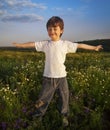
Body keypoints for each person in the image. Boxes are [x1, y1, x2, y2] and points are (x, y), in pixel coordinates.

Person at [13, 16, 103, 127]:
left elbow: (80, 45)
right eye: (50, 29)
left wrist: (94, 48)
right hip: (48, 78)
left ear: (61, 30)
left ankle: (64, 116)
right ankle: (37, 117)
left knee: (64, 98)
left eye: (55, 29)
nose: (52, 31)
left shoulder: (65, 44)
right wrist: (20, 45)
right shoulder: (46, 44)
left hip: (61, 78)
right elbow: (32, 44)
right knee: (43, 99)